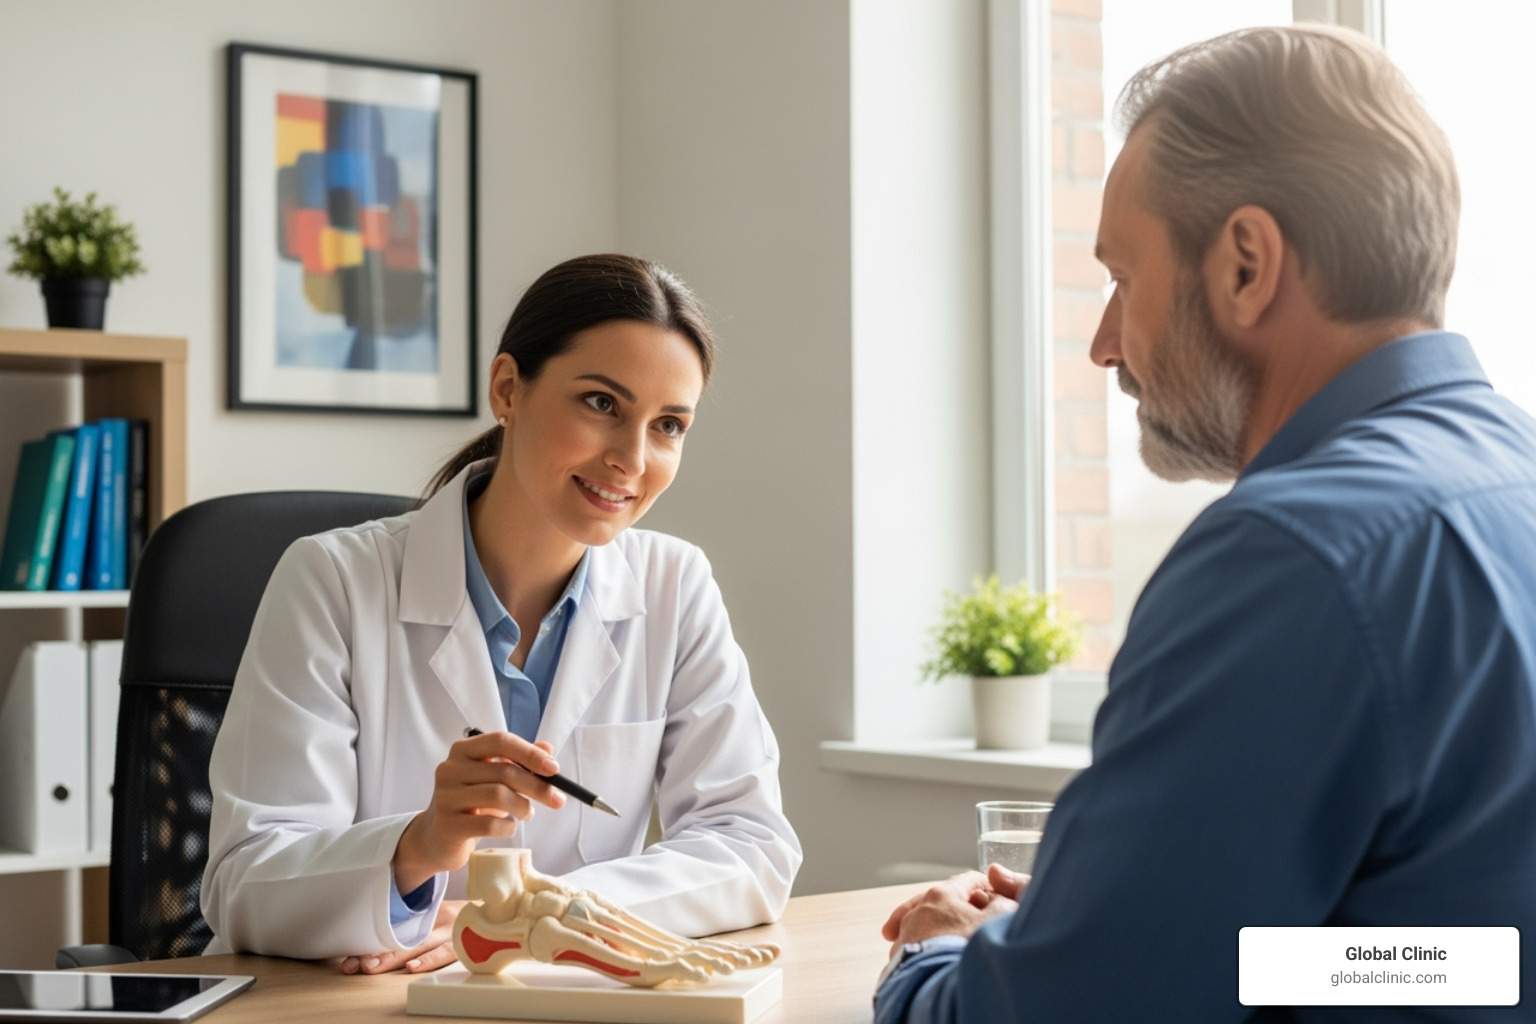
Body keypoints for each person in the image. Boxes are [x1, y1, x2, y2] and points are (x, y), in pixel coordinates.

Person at [875, 25, 1536, 1023]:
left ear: (1244, 265)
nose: (1105, 343)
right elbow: (1475, 958)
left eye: (1123, 279)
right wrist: (1113, 919)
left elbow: (1070, 1015)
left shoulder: (1293, 554)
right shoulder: (1509, 487)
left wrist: (937, 965)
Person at [201, 254, 801, 973]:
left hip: (558, 997)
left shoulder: (675, 585)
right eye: (602, 404)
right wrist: (416, 847)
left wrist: (539, 911)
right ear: (508, 389)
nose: (631, 460)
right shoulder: (331, 580)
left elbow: (750, 845)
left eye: (668, 425)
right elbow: (245, 881)